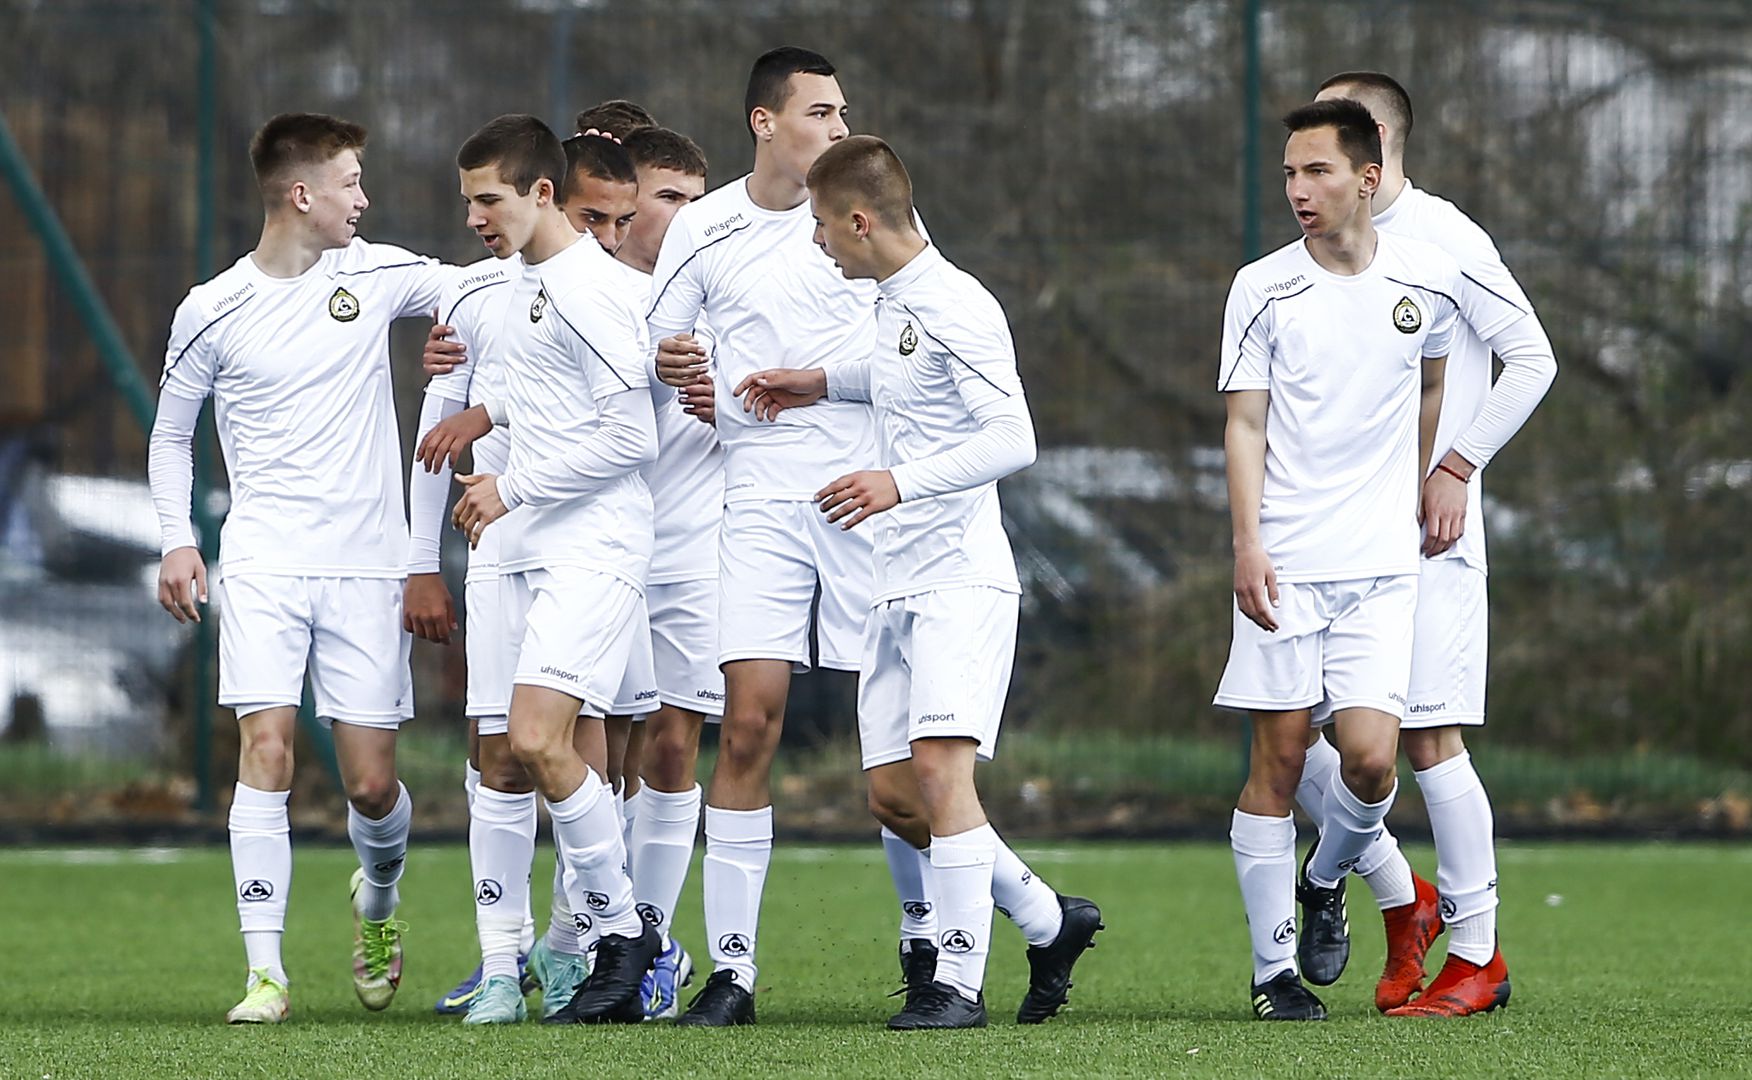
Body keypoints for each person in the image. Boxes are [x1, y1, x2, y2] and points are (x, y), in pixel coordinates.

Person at [733, 133, 1093, 1030]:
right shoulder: (895, 303)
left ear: (860, 221)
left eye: (822, 226)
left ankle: (958, 987)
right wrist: (816, 383)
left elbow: (1015, 438)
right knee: (894, 797)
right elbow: (898, 375)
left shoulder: (959, 305)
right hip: (889, 581)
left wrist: (900, 481)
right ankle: (1050, 921)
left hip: (957, 583)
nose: (816, 242)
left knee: (938, 773)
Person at [149, 112, 449, 1023]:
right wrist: (176, 536)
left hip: (367, 566)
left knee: (369, 784)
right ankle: (265, 976)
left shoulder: (375, 272)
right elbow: (172, 436)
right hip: (268, 562)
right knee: (265, 750)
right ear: (302, 194)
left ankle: (380, 901)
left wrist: (448, 335)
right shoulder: (211, 307)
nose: (366, 199)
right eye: (352, 183)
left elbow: (485, 290)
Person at [1289, 71, 1557, 1018]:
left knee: (1431, 741)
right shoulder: (1317, 243)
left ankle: (1476, 955)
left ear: (1378, 145)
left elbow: (1532, 358)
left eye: (1335, 131)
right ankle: (1405, 896)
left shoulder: (1444, 238)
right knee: (1297, 740)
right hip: (1324, 543)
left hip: (1425, 540)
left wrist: (1457, 466)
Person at [1218, 98, 1464, 1021]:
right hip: (1284, 559)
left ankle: (1325, 881)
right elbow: (1244, 422)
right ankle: (1272, 973)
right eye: (1288, 173)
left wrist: (1430, 478)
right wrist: (1247, 543)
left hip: (1380, 565)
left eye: (1316, 171)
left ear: (1368, 177)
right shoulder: (1262, 287)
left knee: (1367, 762)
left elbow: (1436, 376)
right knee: (1279, 761)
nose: (1297, 189)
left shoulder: (1426, 281)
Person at [449, 113, 660, 1025]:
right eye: (467, 202)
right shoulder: (510, 288)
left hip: (591, 545)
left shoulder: (597, 291)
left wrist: (513, 485)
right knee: (504, 752)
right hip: (514, 549)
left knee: (543, 738)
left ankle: (619, 938)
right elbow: (536, 389)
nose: (473, 218)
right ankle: (532, 961)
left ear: (542, 194)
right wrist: (479, 417)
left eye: (487, 199)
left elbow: (629, 435)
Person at [612, 124, 721, 1021]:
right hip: (597, 551)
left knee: (673, 747)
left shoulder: (722, 294)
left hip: (695, 555)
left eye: (696, 198)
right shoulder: (588, 293)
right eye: (669, 198)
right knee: (585, 755)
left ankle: (651, 938)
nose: (686, 216)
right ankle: (583, 937)